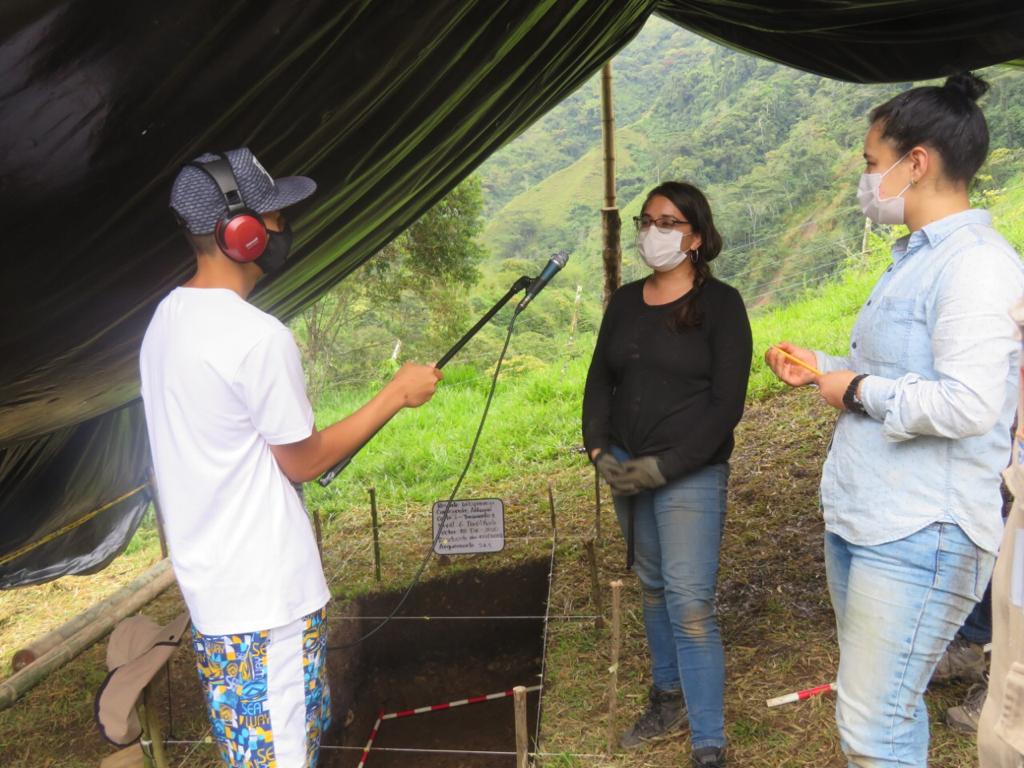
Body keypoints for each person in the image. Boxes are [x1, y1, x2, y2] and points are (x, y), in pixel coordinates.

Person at [140, 147, 442, 767]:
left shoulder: (165, 321)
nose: (282, 230)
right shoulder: (256, 337)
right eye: (272, 218)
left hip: (220, 600)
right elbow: (302, 461)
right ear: (241, 233)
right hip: (267, 603)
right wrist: (394, 395)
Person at [766, 72, 1024, 767]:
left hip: (922, 527)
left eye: (871, 164)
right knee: (880, 710)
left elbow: (969, 405)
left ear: (917, 163)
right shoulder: (913, 260)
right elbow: (905, 372)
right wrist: (824, 367)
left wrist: (854, 391)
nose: (865, 180)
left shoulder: (976, 266)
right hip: (869, 514)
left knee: (872, 726)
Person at [583, 182, 752, 768]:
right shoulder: (626, 302)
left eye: (670, 222)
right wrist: (598, 449)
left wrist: (668, 467)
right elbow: (599, 383)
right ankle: (667, 696)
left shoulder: (722, 306)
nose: (655, 232)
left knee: (690, 601)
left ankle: (708, 741)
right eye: (647, 220)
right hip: (629, 468)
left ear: (696, 237)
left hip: (689, 472)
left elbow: (727, 404)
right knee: (653, 585)